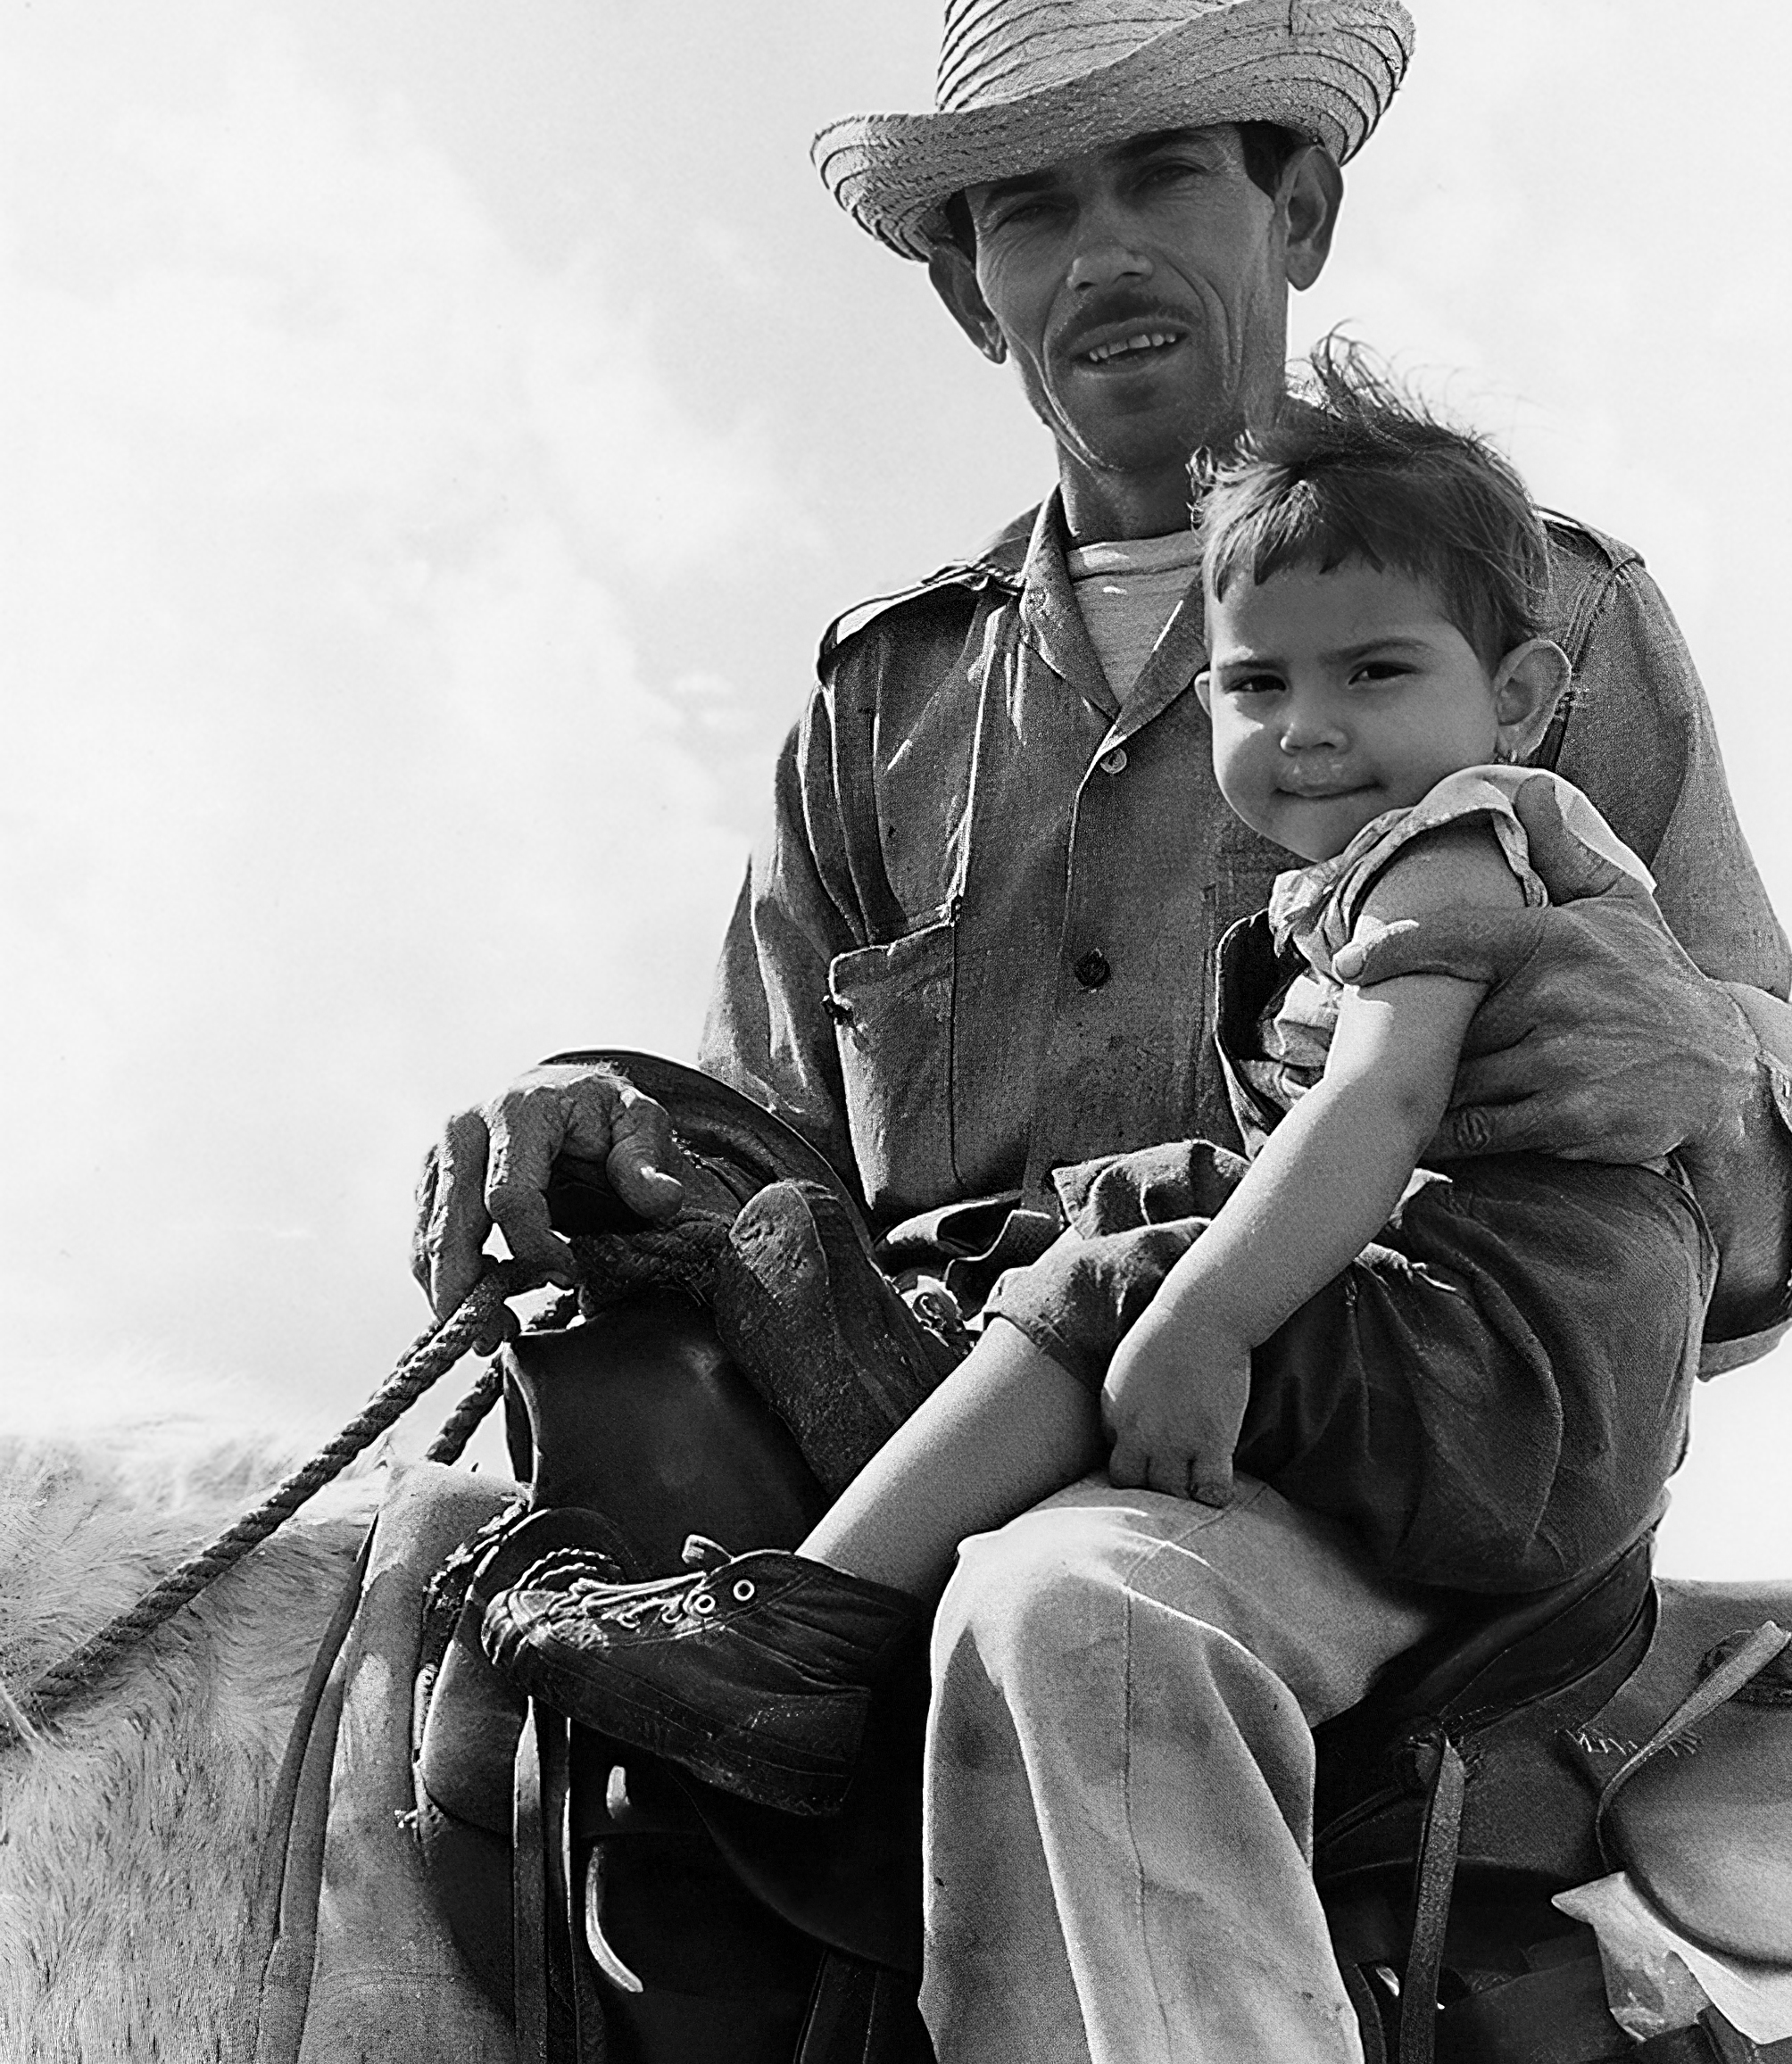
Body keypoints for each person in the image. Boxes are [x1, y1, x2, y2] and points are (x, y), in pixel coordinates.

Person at [413, 0, 1792, 2060]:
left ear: (1298, 206)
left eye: (1161, 174)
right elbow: (760, 1131)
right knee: (405, 1602)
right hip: (922, 1406)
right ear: (962, 284)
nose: (1098, 250)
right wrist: (575, 1104)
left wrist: (1706, 1083)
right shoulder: (875, 699)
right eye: (1027, 205)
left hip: (1384, 1460)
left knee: (1071, 1609)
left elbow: (1776, 1157)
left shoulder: (1538, 609)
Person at [480, 356, 1721, 1843]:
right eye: (1257, 686)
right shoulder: (887, 693)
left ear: (1517, 695)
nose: (1308, 727)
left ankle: (806, 1637)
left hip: (1508, 1371)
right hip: (1460, 1337)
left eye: (1373, 671)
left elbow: (1372, 1114)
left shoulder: (1448, 848)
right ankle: (937, 1368)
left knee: (1150, 1263)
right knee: (1141, 1198)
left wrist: (1197, 1319)